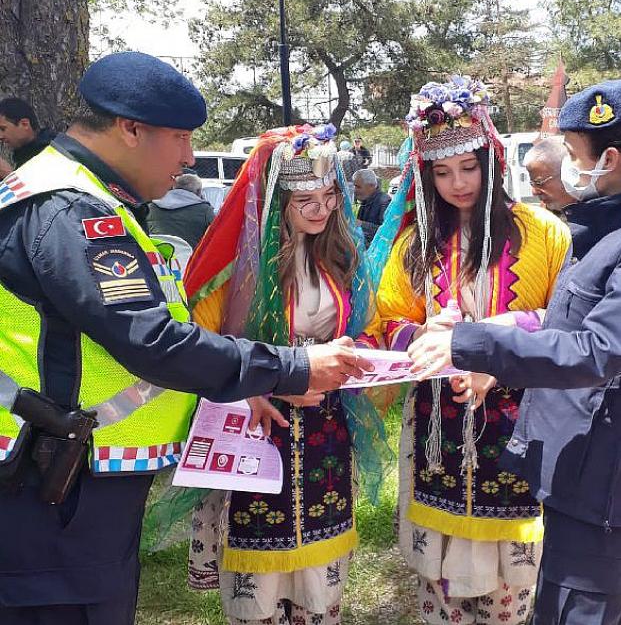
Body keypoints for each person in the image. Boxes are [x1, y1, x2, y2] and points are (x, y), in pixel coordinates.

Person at [0, 52, 369, 625]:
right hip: (53, 488)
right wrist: (294, 367)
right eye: (180, 138)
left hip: (67, 475)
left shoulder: (76, 196)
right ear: (130, 130)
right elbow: (153, 339)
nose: (189, 158)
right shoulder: (71, 210)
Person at [408, 78, 621, 625]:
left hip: (606, 473)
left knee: (577, 608)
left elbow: (597, 350)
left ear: (614, 159)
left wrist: (470, 342)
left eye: (575, 156)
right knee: (586, 606)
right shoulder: (619, 225)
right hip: (580, 461)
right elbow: (570, 322)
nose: (566, 170)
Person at [364, 76, 572, 625]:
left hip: (519, 419)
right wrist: (427, 334)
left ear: (490, 161)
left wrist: (494, 351)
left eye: (468, 167)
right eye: (442, 171)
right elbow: (387, 323)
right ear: (425, 175)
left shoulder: (543, 232)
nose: (458, 183)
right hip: (436, 422)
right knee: (440, 575)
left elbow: (571, 322)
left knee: (509, 580)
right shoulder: (414, 244)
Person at [184, 124, 388, 625]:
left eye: (328, 197)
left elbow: (370, 327)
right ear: (278, 202)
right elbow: (197, 345)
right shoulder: (236, 269)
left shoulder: (342, 260)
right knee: (257, 558)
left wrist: (353, 352)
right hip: (256, 424)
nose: (321, 210)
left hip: (324, 424)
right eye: (305, 201)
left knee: (320, 560)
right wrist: (246, 389)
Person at [148, 172, 215, 249]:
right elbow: (216, 236)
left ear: (174, 187)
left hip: (159, 256)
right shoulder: (205, 210)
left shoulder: (151, 207)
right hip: (191, 258)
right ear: (198, 191)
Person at [0, 97, 57, 176]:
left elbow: (47, 186)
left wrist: (8, 175)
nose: (1, 136)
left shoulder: (53, 153)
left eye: (3, 129)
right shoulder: (24, 155)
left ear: (25, 124)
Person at [522, 136, 572, 212]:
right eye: (532, 184)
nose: (534, 192)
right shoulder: (543, 216)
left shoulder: (593, 214)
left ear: (564, 175)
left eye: (539, 183)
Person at [353, 168, 390, 245]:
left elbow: (386, 231)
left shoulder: (384, 201)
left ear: (371, 186)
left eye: (358, 187)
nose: (355, 190)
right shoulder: (366, 200)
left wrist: (361, 224)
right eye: (355, 186)